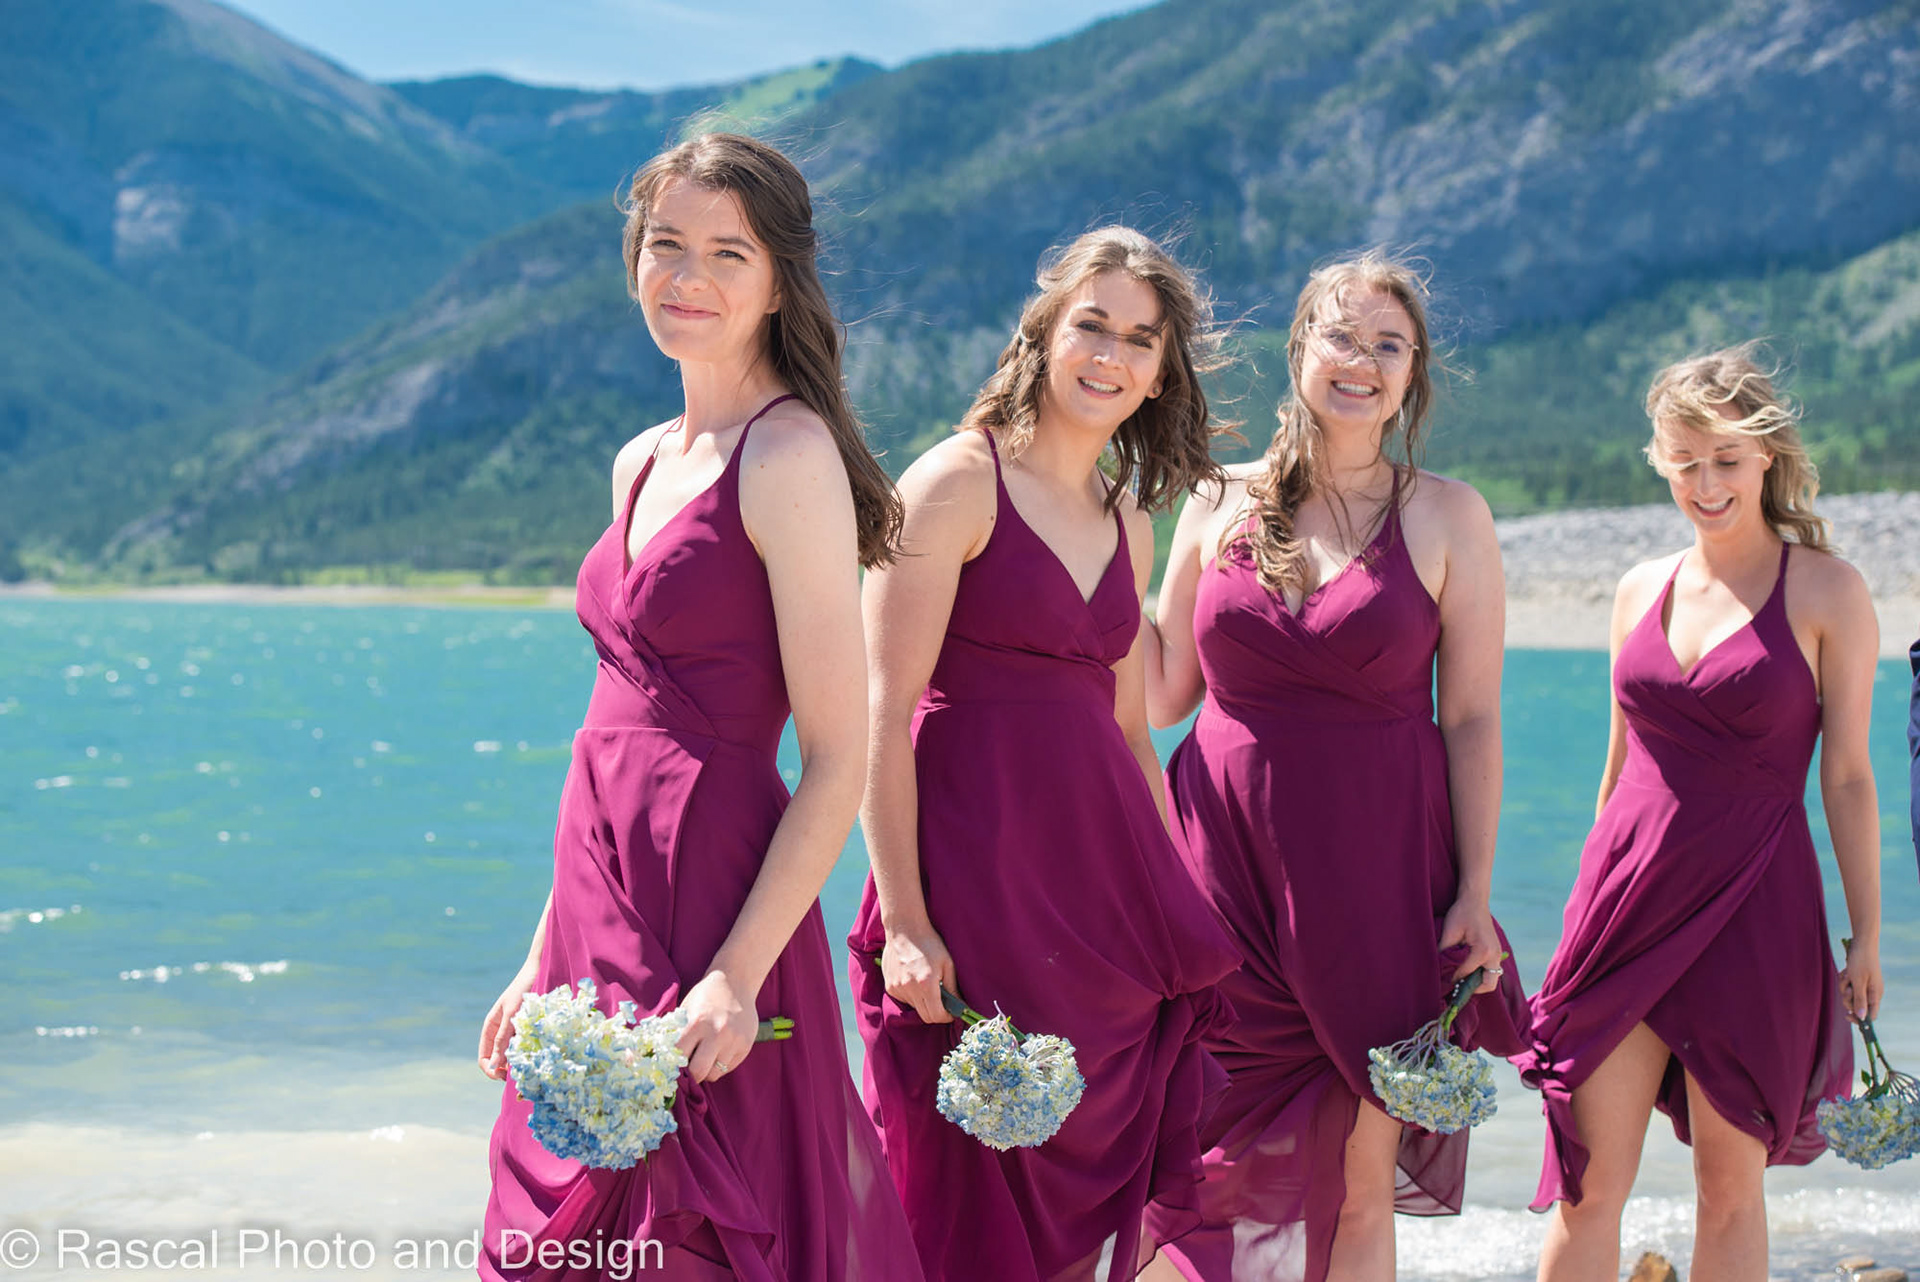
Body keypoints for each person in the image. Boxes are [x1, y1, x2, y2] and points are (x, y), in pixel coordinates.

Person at [474, 132, 923, 1281]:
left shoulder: (787, 457)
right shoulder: (636, 459)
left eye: (728, 252)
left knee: (687, 1235)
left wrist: (735, 975)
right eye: (666, 244)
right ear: (632, 258)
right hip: (596, 896)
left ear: (779, 279)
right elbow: (605, 736)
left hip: (715, 899)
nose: (690, 277)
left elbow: (835, 755)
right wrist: (541, 951)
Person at [848, 226, 1242, 1282]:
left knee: (1081, 1204)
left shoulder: (1128, 521)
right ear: (1045, 330)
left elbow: (1126, 730)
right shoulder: (952, 483)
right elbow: (879, 716)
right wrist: (905, 922)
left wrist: (1176, 897)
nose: (1111, 356)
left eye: (1141, 340)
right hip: (973, 898)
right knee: (959, 1203)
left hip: (1100, 913)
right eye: (1093, 325)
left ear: (1163, 373)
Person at [1140, 251, 1531, 1282]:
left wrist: (1478, 892)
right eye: (1341, 336)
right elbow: (1159, 691)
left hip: (1380, 883)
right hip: (1217, 880)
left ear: (1412, 375)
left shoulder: (1450, 515)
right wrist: (1075, 555)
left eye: (1387, 346)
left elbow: (1475, 719)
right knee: (1194, 1160)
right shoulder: (1215, 498)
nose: (1361, 362)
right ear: (1300, 346)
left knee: (1361, 1178)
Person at [1520, 345, 1883, 1282]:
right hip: (1625, 910)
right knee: (1588, 1184)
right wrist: (1580, 917)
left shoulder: (1828, 591)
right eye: (1685, 460)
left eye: (1725, 458)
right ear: (1659, 460)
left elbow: (1846, 778)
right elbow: (1616, 772)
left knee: (1729, 1188)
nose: (1706, 482)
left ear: (1767, 454)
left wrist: (1868, 935)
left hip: (1754, 913)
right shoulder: (1640, 587)